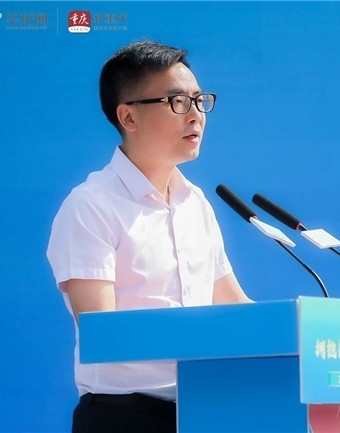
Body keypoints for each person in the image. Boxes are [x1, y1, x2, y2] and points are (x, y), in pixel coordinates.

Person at [46, 40, 252, 433]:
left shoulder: (196, 204)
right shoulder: (91, 206)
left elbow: (234, 306)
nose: (195, 114)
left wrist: (308, 334)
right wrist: (203, 334)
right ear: (129, 116)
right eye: (177, 101)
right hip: (124, 417)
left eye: (200, 100)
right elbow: (102, 333)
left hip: (203, 414)